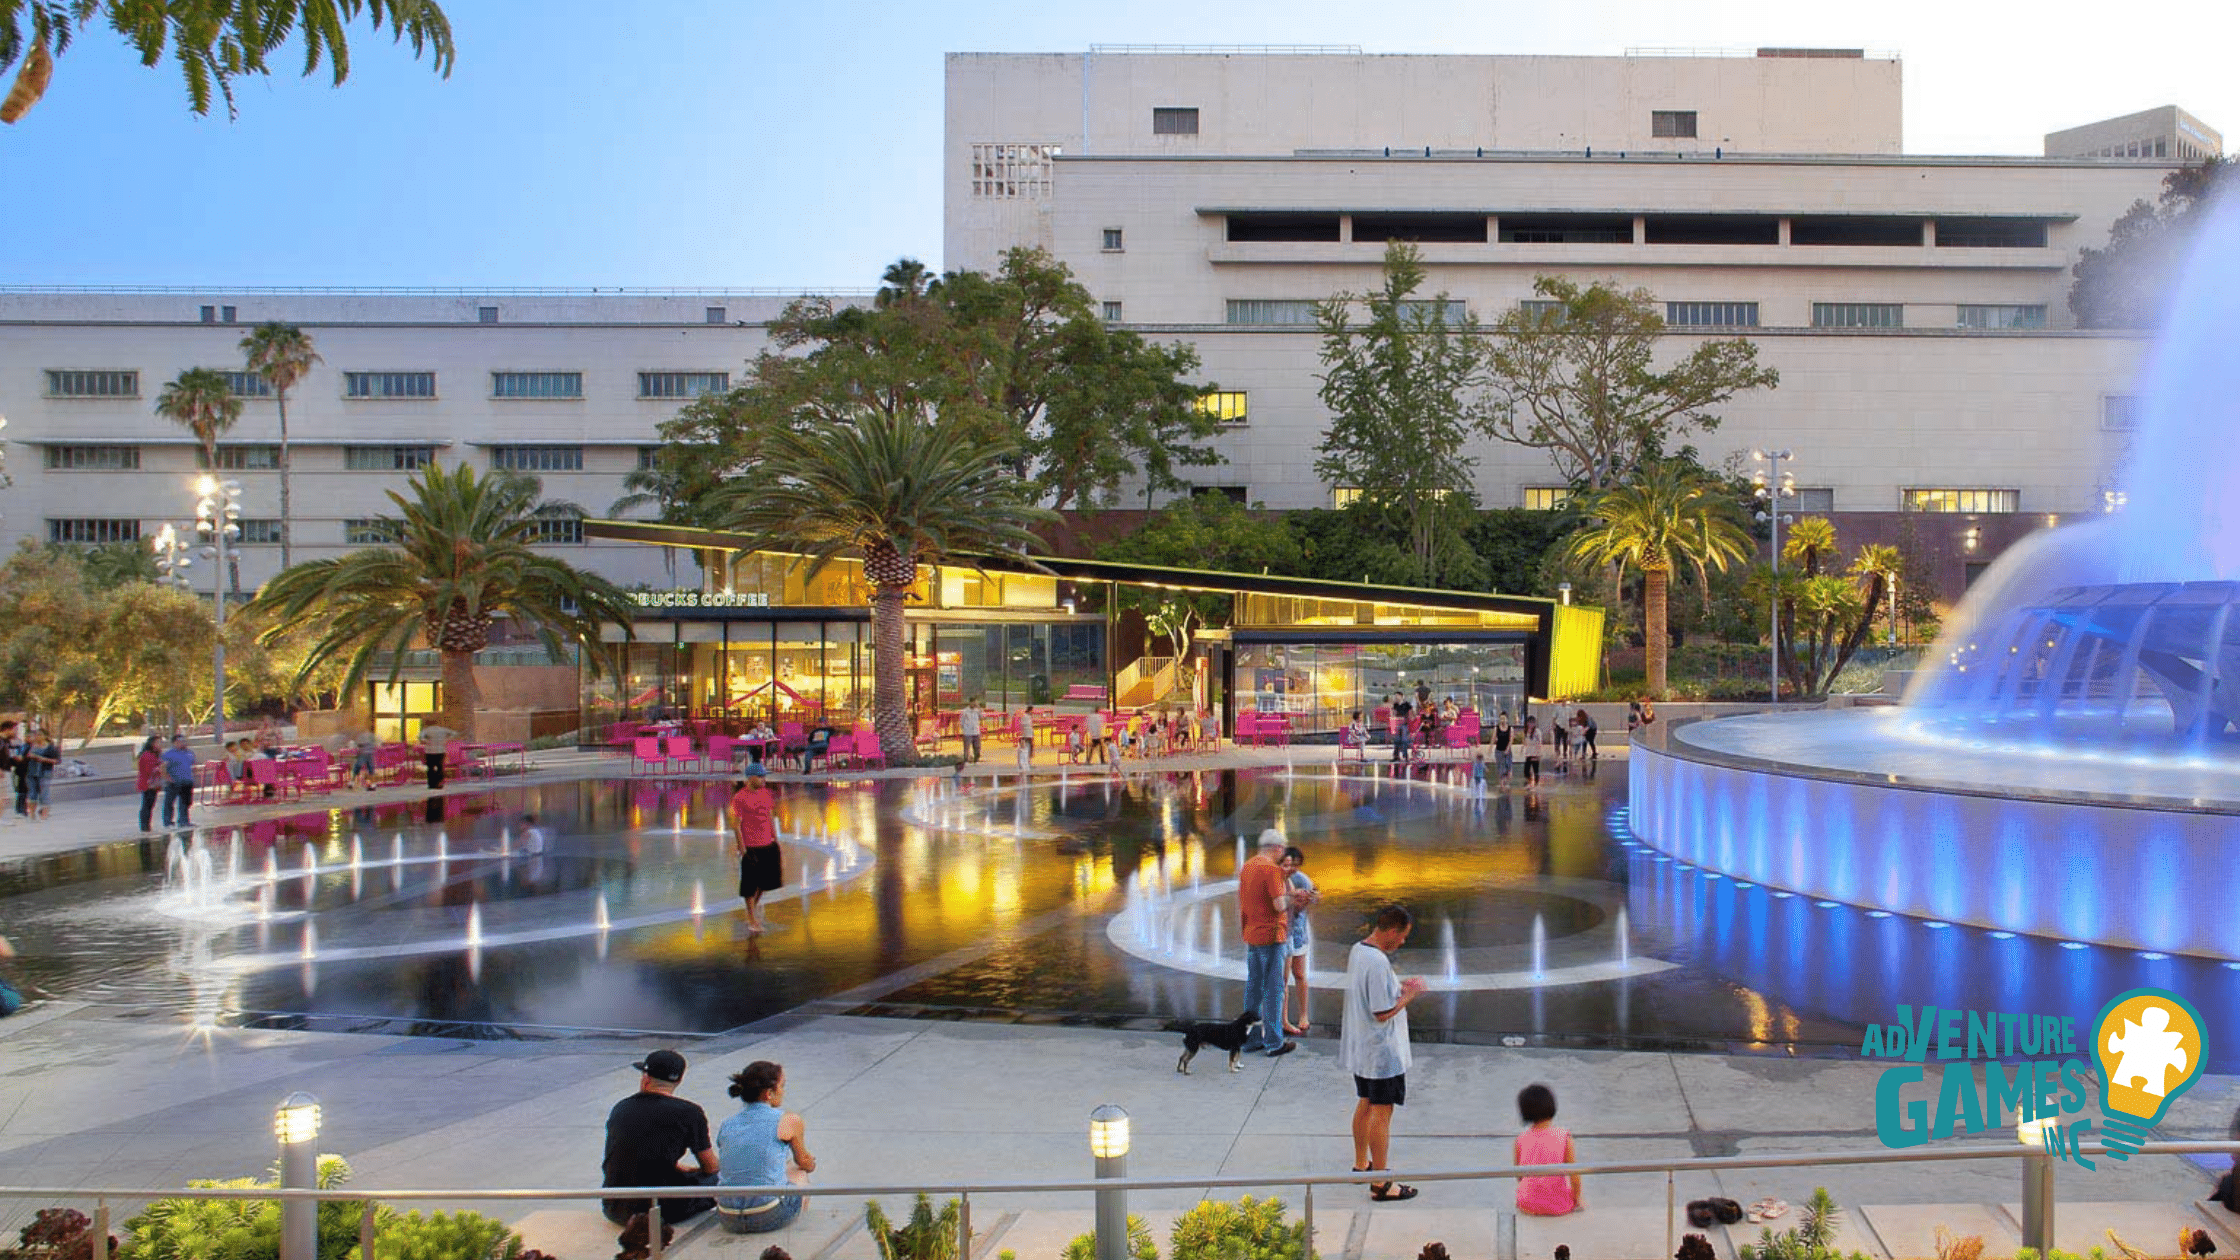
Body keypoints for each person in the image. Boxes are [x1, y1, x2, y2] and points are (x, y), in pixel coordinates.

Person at [1342, 902, 1424, 1202]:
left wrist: (1396, 985)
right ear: (1391, 930)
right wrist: (1410, 996)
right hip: (1381, 1053)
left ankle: (1361, 1164)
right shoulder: (1377, 961)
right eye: (1402, 936)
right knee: (1382, 1111)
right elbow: (1382, 1011)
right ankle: (1381, 1182)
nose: (1402, 942)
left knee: (1365, 1102)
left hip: (1363, 1050)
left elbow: (1373, 991)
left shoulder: (1359, 950)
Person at [602, 1049, 718, 1228]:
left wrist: (673, 1166)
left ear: (646, 1078)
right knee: (721, 1177)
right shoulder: (689, 1112)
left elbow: (628, 1152)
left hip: (615, 1208)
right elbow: (710, 1167)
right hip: (662, 1212)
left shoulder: (621, 1108)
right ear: (679, 1080)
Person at [716, 1060, 816, 1234]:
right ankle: (792, 1233)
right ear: (769, 1093)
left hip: (728, 1217)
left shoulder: (727, 1124)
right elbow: (804, 1162)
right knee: (798, 1171)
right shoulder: (789, 1119)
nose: (783, 1092)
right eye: (782, 1087)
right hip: (768, 1215)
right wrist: (811, 1164)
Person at [1237, 829, 1300, 1059]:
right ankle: (1274, 1041)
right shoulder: (1271, 870)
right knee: (1273, 989)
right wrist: (1294, 897)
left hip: (1252, 933)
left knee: (1253, 988)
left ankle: (1250, 1039)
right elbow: (1278, 905)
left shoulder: (1248, 866)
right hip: (1272, 936)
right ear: (1278, 848)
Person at [1514, 1083, 1581, 1215]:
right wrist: (1578, 1199)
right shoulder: (1564, 1136)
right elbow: (1575, 1177)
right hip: (1557, 1206)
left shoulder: (1520, 1139)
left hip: (1526, 1204)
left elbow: (1519, 1175)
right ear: (1551, 1106)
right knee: (1569, 1193)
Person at [730, 766, 783, 933]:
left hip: (768, 843)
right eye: (760, 777)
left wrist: (776, 839)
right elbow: (736, 825)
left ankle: (753, 907)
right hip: (751, 846)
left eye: (764, 776)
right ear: (750, 777)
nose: (763, 779)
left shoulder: (766, 794)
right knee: (750, 884)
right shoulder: (740, 798)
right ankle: (752, 918)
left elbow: (769, 816)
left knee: (767, 882)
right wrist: (742, 848)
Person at [1279, 845, 1319, 1036]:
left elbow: (1314, 899)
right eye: (1289, 863)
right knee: (1283, 980)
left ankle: (1303, 1014)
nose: (1292, 868)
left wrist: (1309, 899)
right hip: (1282, 934)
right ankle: (1283, 1018)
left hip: (1297, 934)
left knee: (1300, 975)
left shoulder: (1302, 879)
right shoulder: (1278, 878)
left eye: (1295, 864)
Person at [160, 735, 197, 829]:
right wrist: (167, 778)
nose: (182, 743)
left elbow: (193, 765)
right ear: (174, 742)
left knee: (185, 802)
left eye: (183, 741)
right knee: (169, 802)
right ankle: (168, 822)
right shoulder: (169, 754)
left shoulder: (189, 753)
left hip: (187, 781)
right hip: (174, 782)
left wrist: (193, 775)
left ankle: (184, 821)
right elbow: (162, 767)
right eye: (179, 741)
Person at [23, 730, 57, 820]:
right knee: (32, 794)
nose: (37, 736)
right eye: (36, 735)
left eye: (40, 735)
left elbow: (56, 760)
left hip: (45, 773)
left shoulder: (51, 748)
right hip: (31, 773)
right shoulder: (30, 746)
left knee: (44, 794)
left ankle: (44, 815)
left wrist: (41, 758)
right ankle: (32, 815)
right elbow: (23, 757)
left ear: (45, 736)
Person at [135, 735, 164, 832]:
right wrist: (159, 768)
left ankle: (146, 824)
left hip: (152, 784)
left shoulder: (155, 754)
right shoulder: (147, 755)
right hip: (148, 784)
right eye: (158, 743)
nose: (160, 745)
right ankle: (144, 826)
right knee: (147, 805)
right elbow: (149, 770)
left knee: (149, 805)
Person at [418, 722, 457, 790]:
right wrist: (447, 740)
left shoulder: (427, 730)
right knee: (440, 767)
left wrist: (427, 741)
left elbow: (421, 738)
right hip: (440, 750)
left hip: (430, 751)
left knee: (430, 768)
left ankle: (431, 784)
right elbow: (454, 733)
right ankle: (439, 783)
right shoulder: (442, 729)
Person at [1520, 717, 1543, 787]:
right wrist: (1522, 748)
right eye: (1529, 723)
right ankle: (1530, 781)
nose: (1530, 724)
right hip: (1528, 753)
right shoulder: (1526, 731)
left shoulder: (1537, 732)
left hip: (1535, 753)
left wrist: (1539, 754)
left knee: (1536, 770)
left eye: (1532, 723)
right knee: (1526, 771)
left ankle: (1536, 784)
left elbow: (1540, 743)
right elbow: (1525, 740)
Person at [1390, 695, 1413, 763]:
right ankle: (1396, 756)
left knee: (1404, 740)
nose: (1396, 697)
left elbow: (1411, 712)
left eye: (1397, 696)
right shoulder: (1395, 705)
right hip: (1397, 723)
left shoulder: (1407, 704)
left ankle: (1405, 756)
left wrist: (1409, 720)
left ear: (1401, 696)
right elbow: (1393, 713)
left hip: (1404, 724)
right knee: (1397, 740)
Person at [959, 700, 982, 765]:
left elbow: (983, 717)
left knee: (977, 747)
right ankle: (966, 760)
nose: (973, 704)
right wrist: (964, 729)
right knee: (967, 747)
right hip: (967, 732)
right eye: (972, 703)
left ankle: (976, 760)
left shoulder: (977, 711)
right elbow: (961, 721)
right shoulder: (965, 711)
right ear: (969, 703)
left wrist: (979, 708)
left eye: (975, 703)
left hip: (976, 731)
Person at [1493, 711, 1513, 784]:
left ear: (1507, 719)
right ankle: (1502, 784)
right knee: (1500, 768)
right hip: (1498, 751)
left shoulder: (1510, 728)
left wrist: (1507, 749)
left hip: (1507, 751)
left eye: (1504, 718)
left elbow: (1511, 740)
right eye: (1501, 719)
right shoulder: (1497, 728)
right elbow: (1493, 738)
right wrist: (1490, 748)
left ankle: (1506, 782)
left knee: (1508, 768)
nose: (1502, 720)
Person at [1550, 707, 1570, 773]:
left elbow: (1570, 718)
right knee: (1557, 740)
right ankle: (1557, 752)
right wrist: (1553, 725)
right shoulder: (1557, 708)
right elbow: (1554, 717)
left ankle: (1564, 752)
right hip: (1559, 726)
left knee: (1565, 740)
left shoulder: (1568, 709)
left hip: (1565, 727)